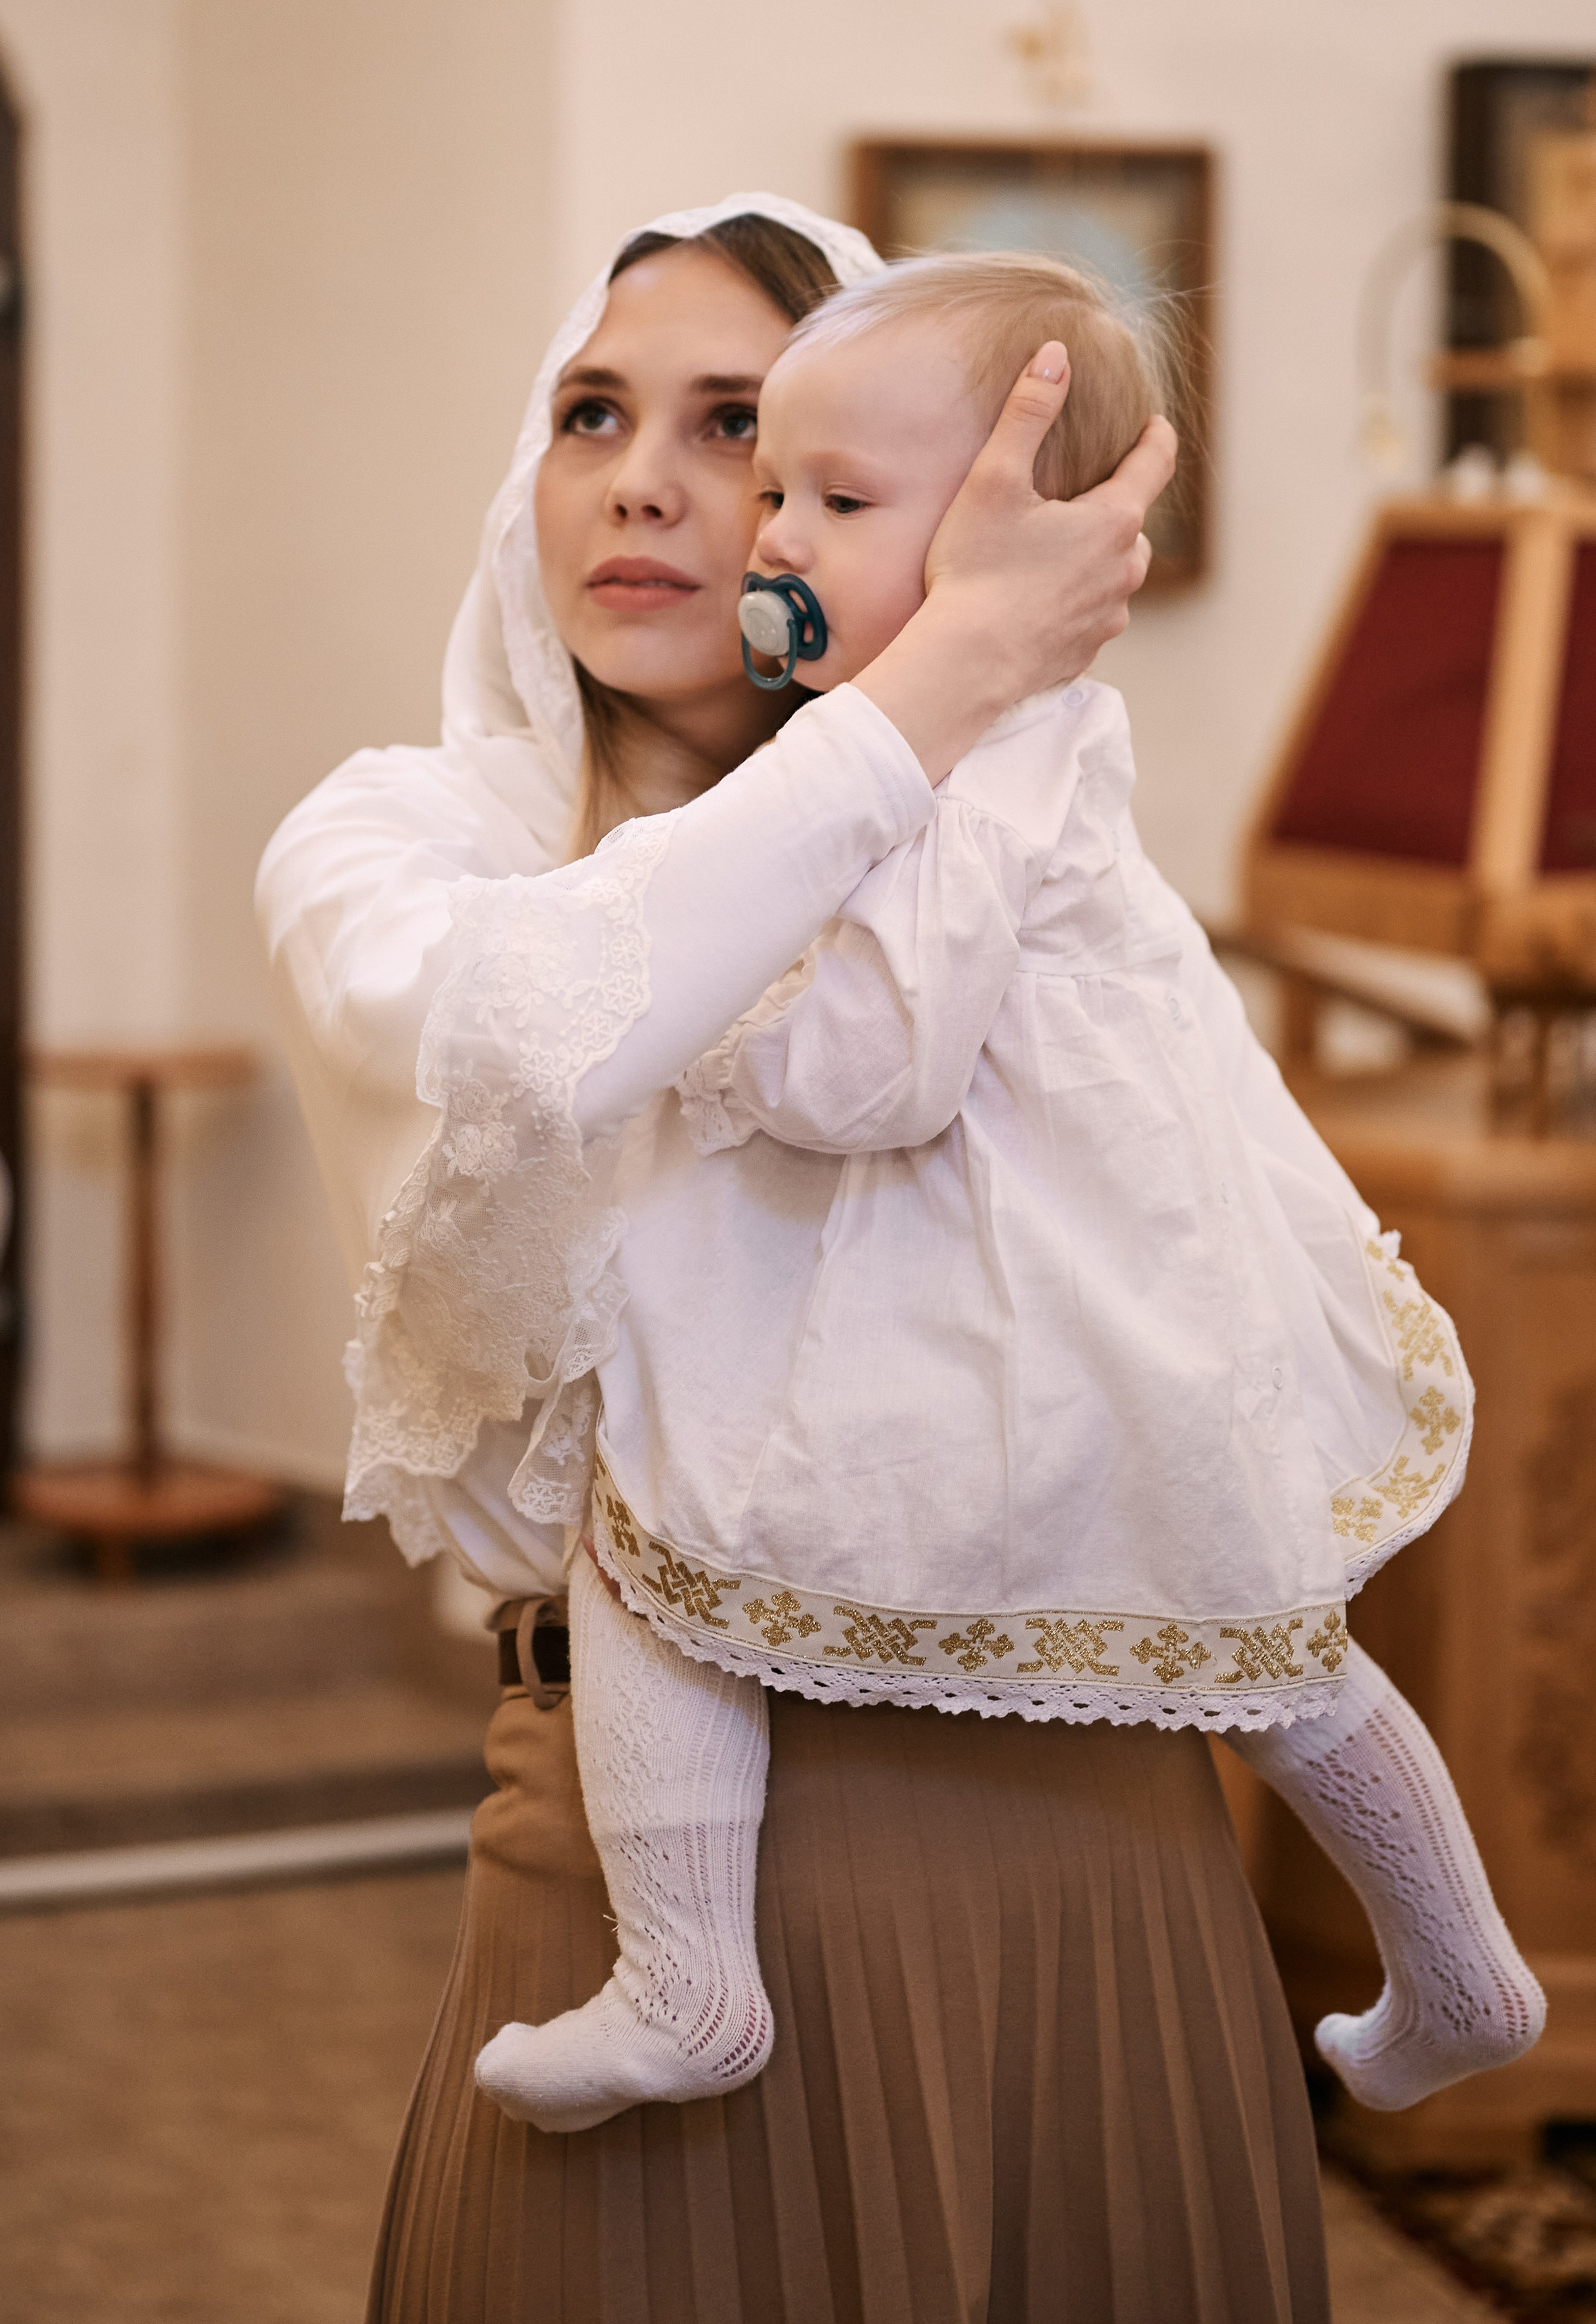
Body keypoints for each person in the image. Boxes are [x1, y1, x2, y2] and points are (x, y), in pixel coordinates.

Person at [260, 194, 1338, 2324]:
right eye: (591, 414)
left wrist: (957, 709)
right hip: (654, 1852)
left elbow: (1199, 1278)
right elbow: (541, 1029)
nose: (651, 482)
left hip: (1083, 1808)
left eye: (741, 427)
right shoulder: (403, 843)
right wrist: (946, 675)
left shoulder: (1011, 839)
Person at [468, 247, 1543, 2146]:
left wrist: (698, 1035)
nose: (771, 534)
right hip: (1088, 1281)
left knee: (654, 1523)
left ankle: (688, 1976)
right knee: (1260, 1626)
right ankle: (1459, 1970)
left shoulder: (965, 769)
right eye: (779, 488)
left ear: (1022, 544)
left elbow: (876, 1071)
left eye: (836, 499)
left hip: (1017, 1286)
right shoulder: (985, 741)